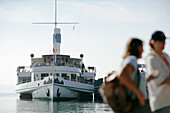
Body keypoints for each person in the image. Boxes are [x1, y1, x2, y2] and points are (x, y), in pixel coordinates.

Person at [107, 38, 151, 113]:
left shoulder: (130, 60)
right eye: (142, 47)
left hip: (135, 104)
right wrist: (139, 94)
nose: (143, 50)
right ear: (137, 48)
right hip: (137, 104)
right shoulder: (132, 59)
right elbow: (122, 75)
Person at [145, 31, 170, 113]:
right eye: (160, 41)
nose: (163, 43)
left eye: (164, 40)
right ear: (153, 42)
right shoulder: (151, 59)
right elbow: (158, 79)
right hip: (161, 103)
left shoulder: (166, 56)